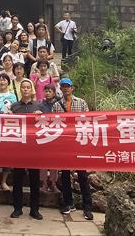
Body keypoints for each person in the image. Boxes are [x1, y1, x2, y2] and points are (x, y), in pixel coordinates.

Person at [53, 78, 93, 220]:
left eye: (67, 86)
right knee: (65, 175)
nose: (65, 89)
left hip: (78, 143)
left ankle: (88, 207)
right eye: (63, 86)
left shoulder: (81, 103)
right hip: (64, 144)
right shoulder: (57, 105)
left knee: (82, 175)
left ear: (72, 88)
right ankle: (69, 203)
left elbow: (88, 120)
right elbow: (54, 123)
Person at [9, 79, 43, 220]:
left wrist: (41, 116)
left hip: (34, 149)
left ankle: (34, 209)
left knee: (35, 180)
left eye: (28, 87)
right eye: (23, 87)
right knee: (17, 180)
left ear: (32, 90)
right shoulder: (14, 107)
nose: (25, 89)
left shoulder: (39, 106)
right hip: (18, 148)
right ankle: (17, 208)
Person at [0, 73, 17, 190]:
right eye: (0, 80)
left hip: (7, 127)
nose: (2, 82)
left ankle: (4, 181)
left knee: (7, 154)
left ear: (8, 82)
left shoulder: (12, 96)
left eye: (4, 80)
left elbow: (14, 111)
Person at [39, 84, 61, 193]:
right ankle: (44, 183)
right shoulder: (40, 104)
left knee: (54, 161)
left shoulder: (59, 103)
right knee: (43, 160)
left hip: (56, 134)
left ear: (54, 92)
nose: (47, 93)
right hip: (43, 134)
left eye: (50, 91)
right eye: (46, 91)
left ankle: (53, 183)